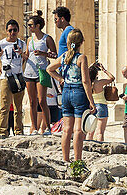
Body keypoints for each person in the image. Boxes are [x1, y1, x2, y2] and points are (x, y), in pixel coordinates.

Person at [46, 27, 95, 176]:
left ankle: (65, 160)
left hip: (66, 91)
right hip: (79, 92)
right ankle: (77, 161)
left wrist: (61, 79)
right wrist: (91, 100)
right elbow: (86, 81)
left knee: (66, 129)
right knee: (78, 130)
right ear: (81, 42)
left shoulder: (64, 56)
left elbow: (49, 68)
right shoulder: (82, 58)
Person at [0, 19, 27, 136]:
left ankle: (18, 131)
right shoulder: (1, 43)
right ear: (6, 31)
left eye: (15, 30)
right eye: (10, 30)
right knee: (4, 106)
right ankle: (3, 131)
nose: (12, 32)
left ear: (18, 31)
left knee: (19, 107)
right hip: (6, 77)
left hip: (19, 76)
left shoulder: (22, 43)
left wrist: (21, 53)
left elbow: (26, 57)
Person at [23, 11, 55, 135]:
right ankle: (34, 128)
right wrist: (21, 53)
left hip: (42, 70)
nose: (29, 27)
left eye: (31, 25)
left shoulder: (47, 38)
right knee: (32, 101)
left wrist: (43, 54)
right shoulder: (29, 40)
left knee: (42, 100)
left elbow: (55, 54)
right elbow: (27, 55)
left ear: (37, 26)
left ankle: (48, 127)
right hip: (29, 71)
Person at [89, 62, 115, 142]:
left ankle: (87, 146)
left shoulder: (87, 84)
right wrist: (104, 70)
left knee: (90, 132)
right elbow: (112, 78)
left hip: (91, 106)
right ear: (96, 74)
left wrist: (90, 67)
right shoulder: (99, 83)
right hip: (101, 106)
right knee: (100, 132)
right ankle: (100, 147)